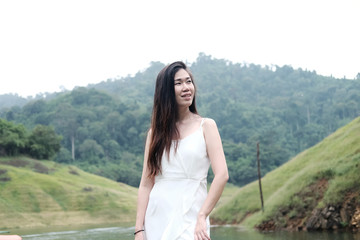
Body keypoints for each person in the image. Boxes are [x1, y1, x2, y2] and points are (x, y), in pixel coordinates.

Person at [134, 61, 229, 240]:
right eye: (178, 83)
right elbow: (146, 184)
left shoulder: (206, 126)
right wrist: (139, 230)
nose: (186, 88)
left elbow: (222, 175)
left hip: (192, 216)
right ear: (166, 91)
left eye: (188, 81)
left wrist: (202, 215)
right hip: (157, 217)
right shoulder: (154, 134)